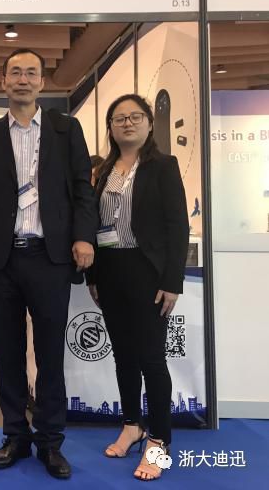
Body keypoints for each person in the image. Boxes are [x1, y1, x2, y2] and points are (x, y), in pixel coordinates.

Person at [0, 48, 97, 480]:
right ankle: (15, 436)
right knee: (6, 354)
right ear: (3, 81)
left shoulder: (66, 129)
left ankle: (50, 441)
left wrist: (83, 236)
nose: (23, 79)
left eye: (31, 73)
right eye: (15, 73)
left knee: (49, 356)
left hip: (50, 257)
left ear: (42, 82)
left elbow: (82, 188)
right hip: (2, 260)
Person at [86, 94, 188, 481]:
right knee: (124, 357)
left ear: (148, 123)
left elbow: (177, 226)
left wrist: (172, 281)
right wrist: (93, 276)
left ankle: (159, 441)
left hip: (148, 273)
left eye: (135, 117)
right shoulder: (105, 170)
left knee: (151, 360)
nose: (127, 123)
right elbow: (94, 226)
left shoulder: (162, 166)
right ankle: (132, 424)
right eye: (119, 118)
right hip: (110, 271)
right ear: (110, 128)